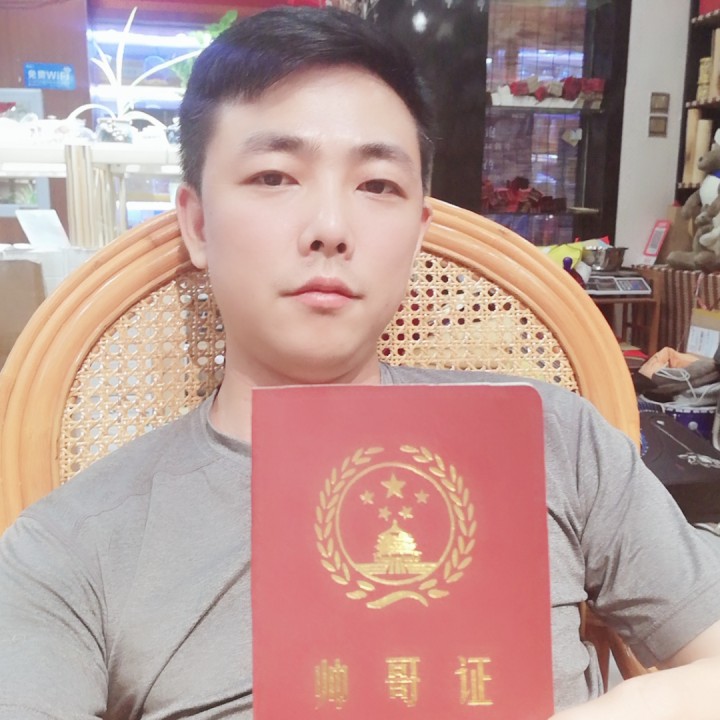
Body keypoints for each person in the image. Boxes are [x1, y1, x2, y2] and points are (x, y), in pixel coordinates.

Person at [1, 6, 720, 719]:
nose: (330, 228)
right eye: (274, 176)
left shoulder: (550, 435)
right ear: (196, 224)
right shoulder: (70, 545)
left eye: (377, 185)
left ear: (418, 232)